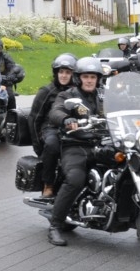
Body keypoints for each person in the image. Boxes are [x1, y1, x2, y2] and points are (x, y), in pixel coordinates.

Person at [45, 57, 106, 246]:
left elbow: (126, 106)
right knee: (75, 179)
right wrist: (65, 119)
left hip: (101, 143)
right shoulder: (68, 95)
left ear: (98, 79)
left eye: (93, 77)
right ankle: (55, 226)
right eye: (86, 77)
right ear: (79, 78)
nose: (89, 80)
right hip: (75, 144)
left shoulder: (104, 96)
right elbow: (55, 111)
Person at [28, 53, 77, 199]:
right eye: (61, 72)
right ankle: (48, 184)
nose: (64, 75)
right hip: (51, 127)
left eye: (67, 72)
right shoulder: (46, 91)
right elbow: (34, 118)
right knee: (52, 144)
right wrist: (38, 146)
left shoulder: (77, 91)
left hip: (73, 127)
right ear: (56, 73)